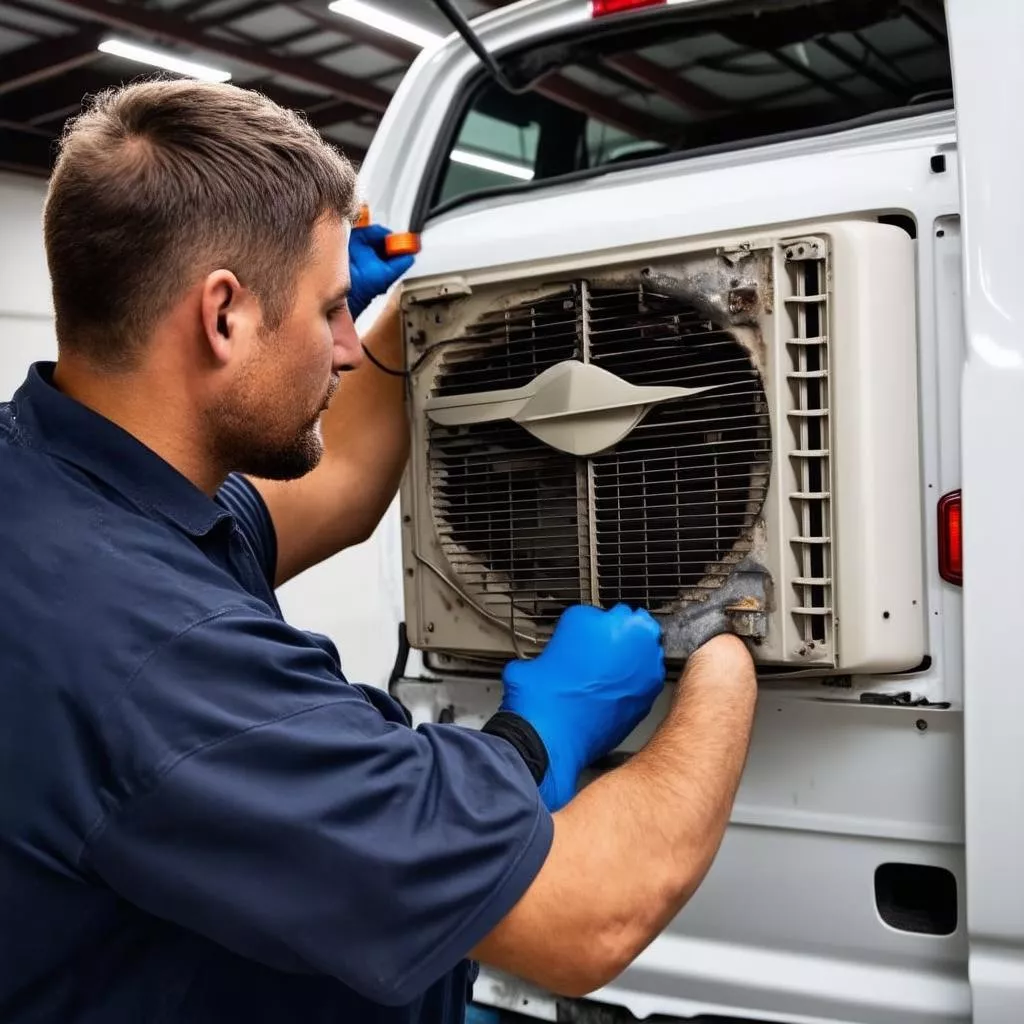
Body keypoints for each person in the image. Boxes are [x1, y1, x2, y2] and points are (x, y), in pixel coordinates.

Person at [0, 80, 761, 1024]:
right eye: (328, 315)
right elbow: (585, 918)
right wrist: (723, 651)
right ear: (224, 317)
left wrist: (394, 307)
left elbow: (344, 476)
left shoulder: (61, 485)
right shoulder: (153, 655)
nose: (349, 349)